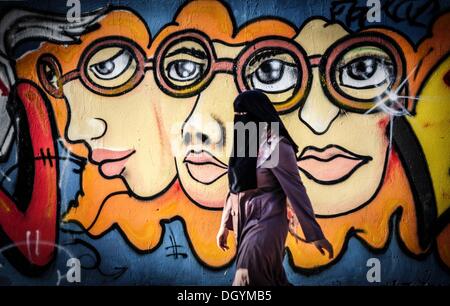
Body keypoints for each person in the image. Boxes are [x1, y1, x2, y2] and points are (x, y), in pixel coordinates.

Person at [216, 90, 333, 286]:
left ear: (258, 113)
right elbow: (235, 188)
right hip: (243, 225)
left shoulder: (276, 146)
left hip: (266, 223)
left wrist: (315, 234)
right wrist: (224, 225)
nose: (240, 119)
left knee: (245, 279)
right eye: (237, 115)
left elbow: (296, 190)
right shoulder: (245, 142)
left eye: (244, 115)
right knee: (271, 280)